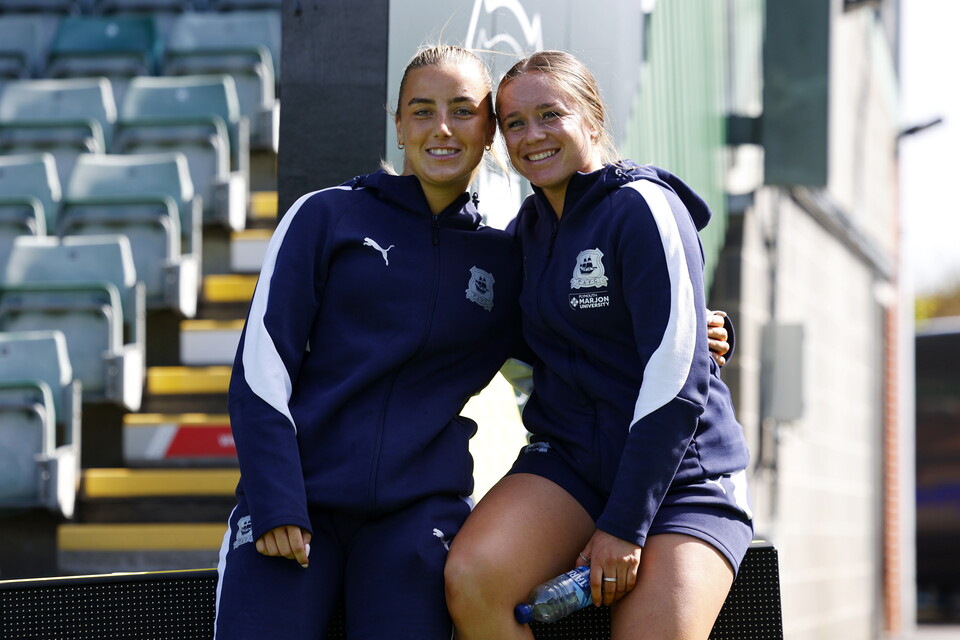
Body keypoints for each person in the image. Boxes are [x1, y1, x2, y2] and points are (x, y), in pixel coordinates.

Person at [214, 44, 731, 639]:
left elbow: (612, 342)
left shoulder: (511, 251)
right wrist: (277, 498)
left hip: (421, 517)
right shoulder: (330, 217)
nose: (441, 128)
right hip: (299, 504)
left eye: (463, 111)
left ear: (486, 136)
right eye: (422, 110)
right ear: (399, 123)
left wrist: (697, 327)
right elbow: (259, 370)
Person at [444, 50, 753, 640]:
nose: (531, 135)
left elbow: (677, 380)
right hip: (571, 466)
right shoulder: (524, 235)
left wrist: (624, 525)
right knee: (472, 579)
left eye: (549, 115)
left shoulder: (643, 207)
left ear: (591, 118)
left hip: (684, 480)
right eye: (513, 123)